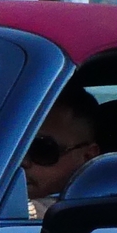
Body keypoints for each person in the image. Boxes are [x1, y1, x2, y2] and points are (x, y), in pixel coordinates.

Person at [21, 84, 101, 216]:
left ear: (87, 157)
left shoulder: (100, 216)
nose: (22, 161)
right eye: (12, 149)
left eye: (42, 149)